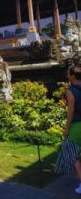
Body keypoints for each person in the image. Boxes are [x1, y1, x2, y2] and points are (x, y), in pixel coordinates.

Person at [55, 65, 81, 194]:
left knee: (71, 153)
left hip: (77, 125)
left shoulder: (70, 91)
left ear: (72, 76)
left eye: (68, 74)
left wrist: (66, 129)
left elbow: (71, 111)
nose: (66, 75)